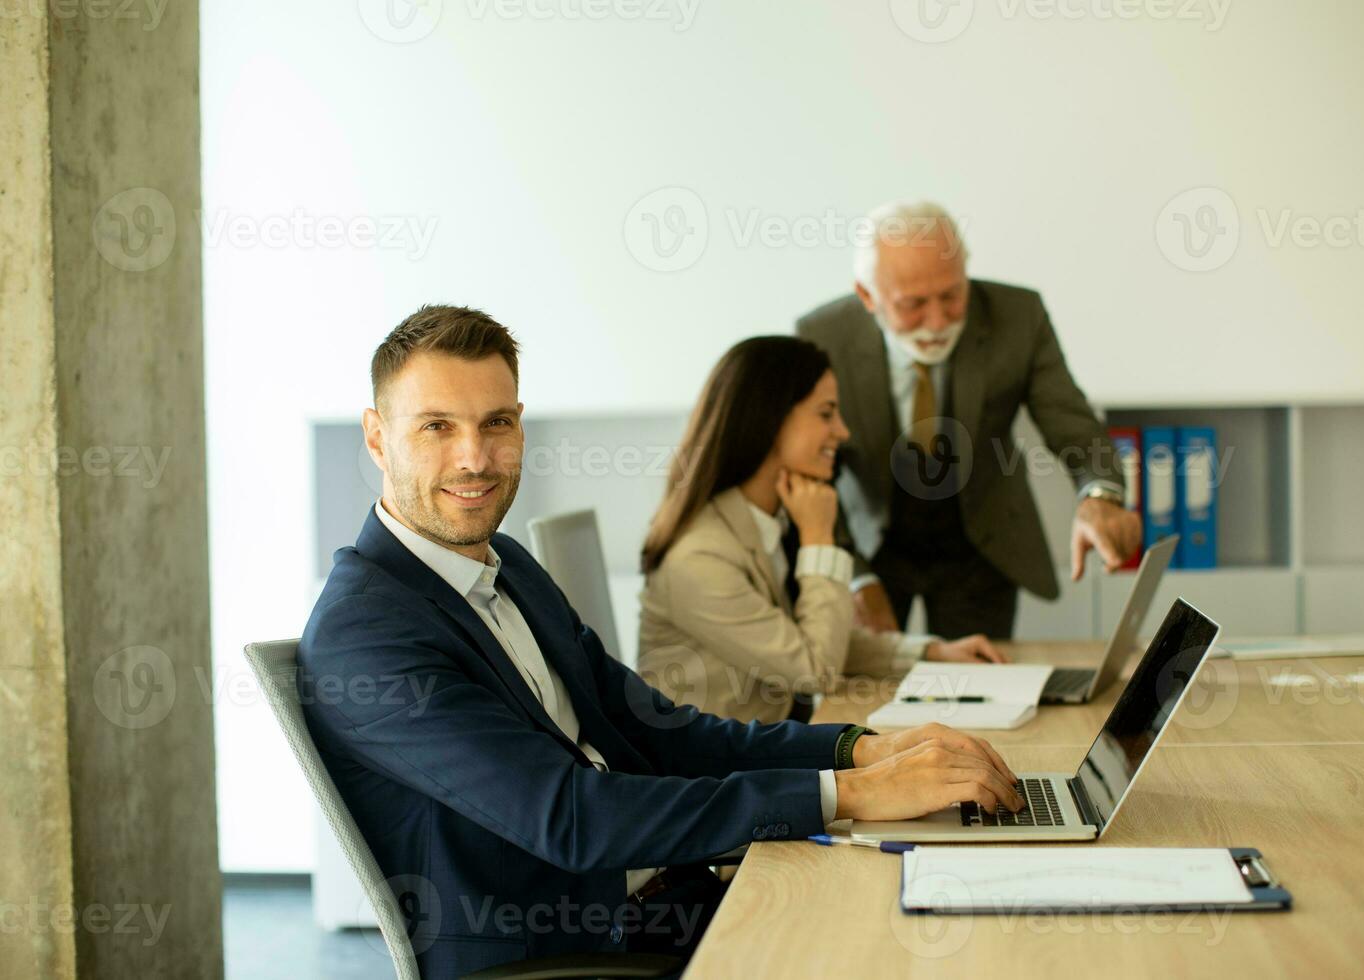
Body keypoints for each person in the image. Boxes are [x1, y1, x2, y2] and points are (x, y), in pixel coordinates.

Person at [298, 305, 1024, 980]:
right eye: (436, 428)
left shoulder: (505, 565)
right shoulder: (369, 630)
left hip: (656, 904)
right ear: (376, 435)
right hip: (565, 954)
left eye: (496, 424)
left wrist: (860, 749)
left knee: (939, 914)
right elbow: (573, 818)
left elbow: (668, 734)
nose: (475, 459)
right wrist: (854, 794)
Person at [796, 200, 1142, 640]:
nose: (938, 321)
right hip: (871, 545)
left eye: (952, 295)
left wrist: (1100, 494)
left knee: (979, 693)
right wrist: (854, 576)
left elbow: (1071, 423)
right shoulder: (822, 337)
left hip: (979, 548)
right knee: (866, 690)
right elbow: (812, 469)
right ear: (868, 296)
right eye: (913, 304)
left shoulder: (1019, 316)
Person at [639, 336, 1005, 725]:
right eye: (826, 413)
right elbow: (815, 668)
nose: (843, 431)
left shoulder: (761, 523)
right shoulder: (700, 556)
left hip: (759, 751)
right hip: (713, 777)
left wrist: (930, 652)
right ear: (771, 418)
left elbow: (810, 639)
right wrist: (818, 537)